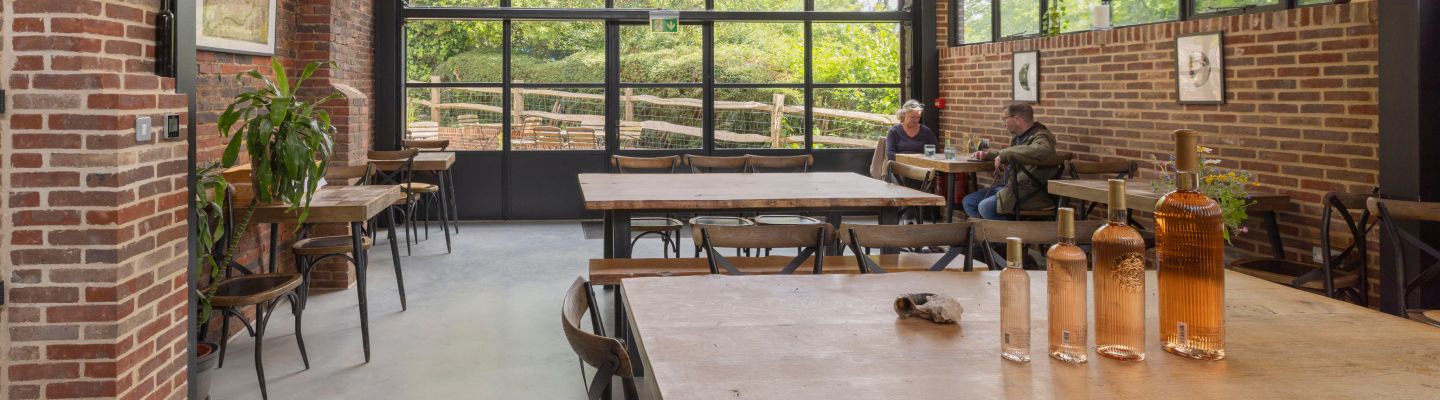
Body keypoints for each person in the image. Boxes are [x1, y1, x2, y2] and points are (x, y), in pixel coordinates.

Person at [963, 102, 1057, 220]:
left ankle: (1009, 236)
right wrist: (988, 155)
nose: (1003, 124)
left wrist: (1004, 154)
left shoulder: (1042, 136)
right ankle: (991, 235)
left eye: (1004, 119)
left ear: (1016, 119)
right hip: (1011, 187)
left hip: (1029, 192)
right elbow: (1017, 153)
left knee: (985, 207)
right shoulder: (1019, 138)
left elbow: (1042, 150)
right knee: (969, 202)